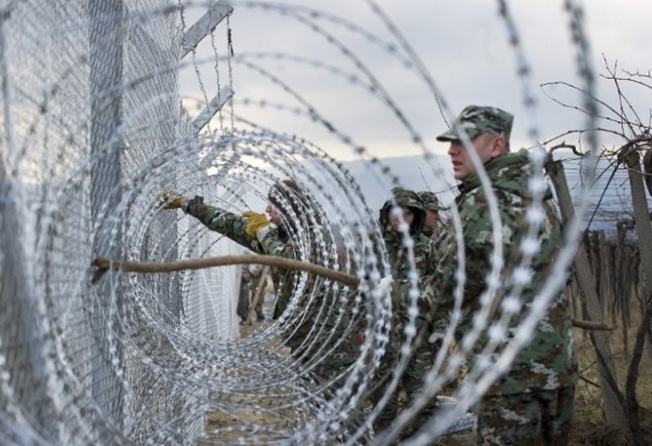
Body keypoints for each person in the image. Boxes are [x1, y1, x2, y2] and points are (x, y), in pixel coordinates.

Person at [404, 105, 577, 444]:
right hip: (556, 368)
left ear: (497, 146)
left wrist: (392, 295)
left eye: (466, 142)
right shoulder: (540, 199)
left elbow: (445, 292)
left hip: (506, 378)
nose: (453, 151)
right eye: (451, 143)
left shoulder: (482, 205)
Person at [164, 180, 367, 440]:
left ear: (291, 208)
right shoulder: (278, 234)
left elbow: (290, 262)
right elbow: (229, 224)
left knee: (341, 410)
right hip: (306, 340)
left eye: (275, 206)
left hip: (331, 341)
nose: (268, 211)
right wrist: (187, 204)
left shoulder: (315, 235)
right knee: (321, 410)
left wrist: (264, 234)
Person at [370, 187, 439, 435]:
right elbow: (357, 289)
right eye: (396, 212)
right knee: (383, 403)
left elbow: (440, 291)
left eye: (408, 214)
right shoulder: (374, 247)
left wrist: (439, 329)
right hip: (383, 335)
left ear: (416, 217)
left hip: (418, 338)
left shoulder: (426, 248)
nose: (401, 219)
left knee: (423, 400)